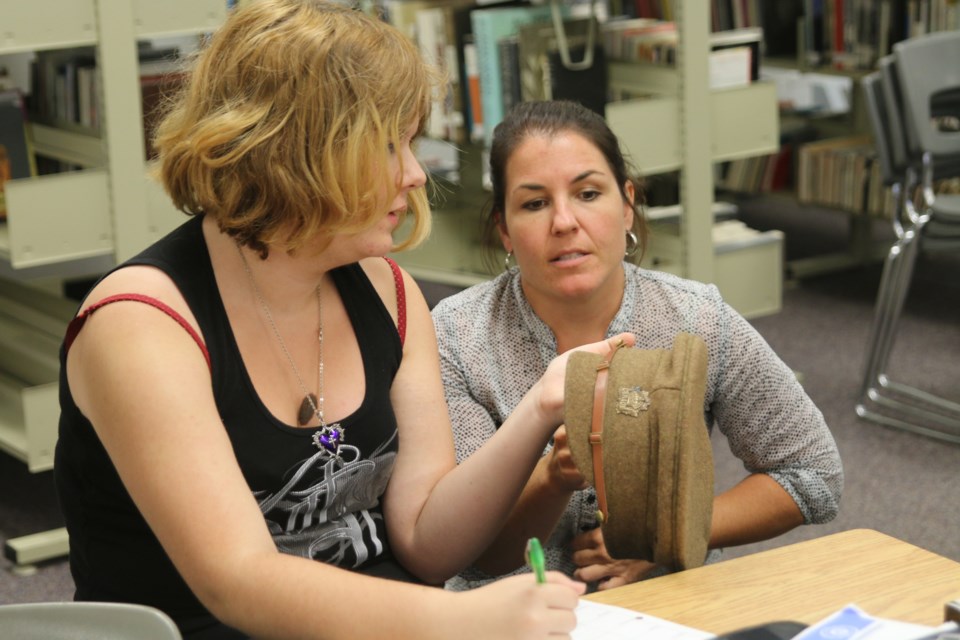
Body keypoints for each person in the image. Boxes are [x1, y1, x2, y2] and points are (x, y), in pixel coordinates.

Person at [53, 5, 633, 638]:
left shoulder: (388, 290)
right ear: (296, 150)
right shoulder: (141, 323)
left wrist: (540, 407)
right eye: (389, 145)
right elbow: (238, 581)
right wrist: (459, 619)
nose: (415, 175)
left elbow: (425, 543)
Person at [431, 100, 844, 593]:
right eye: (535, 203)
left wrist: (667, 533)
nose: (564, 221)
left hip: (667, 610)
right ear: (504, 228)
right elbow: (472, 553)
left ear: (627, 204)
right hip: (512, 617)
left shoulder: (695, 318)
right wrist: (552, 477)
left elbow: (812, 474)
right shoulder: (456, 336)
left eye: (587, 193)